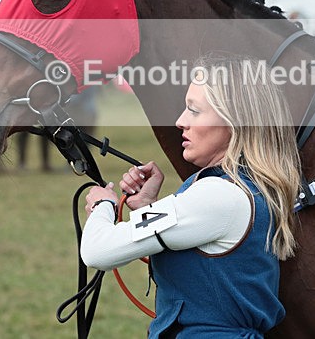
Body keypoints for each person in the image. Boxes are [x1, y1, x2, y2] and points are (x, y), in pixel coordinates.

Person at [80, 55, 302, 337]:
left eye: (194, 111)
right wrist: (146, 208)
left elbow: (98, 251)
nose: (180, 121)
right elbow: (205, 260)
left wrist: (103, 206)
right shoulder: (248, 186)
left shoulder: (220, 195)